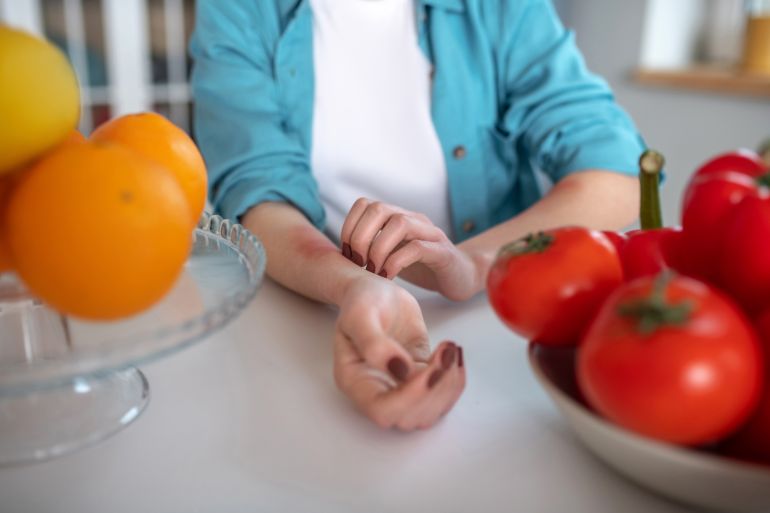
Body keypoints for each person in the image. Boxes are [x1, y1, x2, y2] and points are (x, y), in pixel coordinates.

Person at [189, 0, 643, 431]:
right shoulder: (240, 9)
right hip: (313, 303)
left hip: (494, 314)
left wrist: (472, 263)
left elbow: (620, 176)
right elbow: (257, 190)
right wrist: (354, 287)